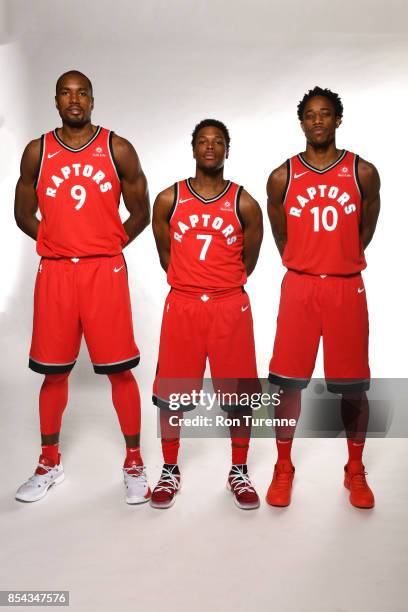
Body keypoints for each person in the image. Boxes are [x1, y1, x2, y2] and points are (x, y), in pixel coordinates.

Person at [14, 70, 151, 504]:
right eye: (66, 93)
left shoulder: (118, 148)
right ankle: (48, 462)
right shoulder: (38, 151)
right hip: (55, 273)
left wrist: (108, 245)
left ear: (93, 100)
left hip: (103, 272)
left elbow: (141, 211)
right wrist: (54, 243)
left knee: (119, 369)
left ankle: (134, 461)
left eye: (82, 93)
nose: (74, 100)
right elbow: (22, 212)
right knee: (54, 372)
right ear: (55, 101)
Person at [266, 86, 380, 509]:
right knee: (287, 384)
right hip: (300, 288)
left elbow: (365, 228)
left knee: (354, 387)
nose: (318, 120)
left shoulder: (362, 172)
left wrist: (341, 257)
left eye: (326, 114)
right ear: (302, 123)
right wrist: (305, 261)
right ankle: (283, 466)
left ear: (337, 120)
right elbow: (280, 233)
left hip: (345, 287)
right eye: (311, 115)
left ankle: (355, 468)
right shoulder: (282, 176)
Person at [151, 119, 263, 509]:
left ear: (227, 149)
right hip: (183, 304)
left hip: (229, 305)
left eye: (218, 141)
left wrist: (220, 285)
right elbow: (166, 255)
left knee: (239, 396)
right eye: (203, 141)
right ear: (193, 148)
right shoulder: (169, 199)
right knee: (172, 394)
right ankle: (169, 469)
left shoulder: (244, 202)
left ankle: (239, 470)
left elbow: (249, 259)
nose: (210, 147)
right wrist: (189, 281)